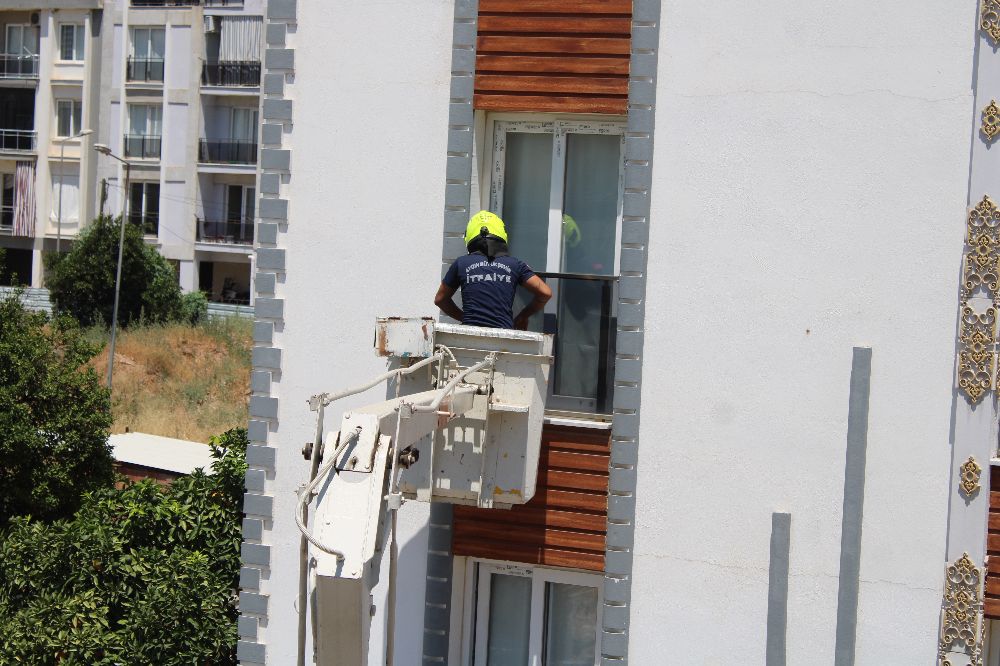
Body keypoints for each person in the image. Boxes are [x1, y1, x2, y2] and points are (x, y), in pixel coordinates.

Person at [434, 211, 551, 330]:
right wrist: (522, 317)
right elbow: (545, 293)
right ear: (502, 234)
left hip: (469, 335)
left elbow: (440, 299)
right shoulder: (515, 264)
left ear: (469, 236)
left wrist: (465, 318)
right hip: (504, 337)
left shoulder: (461, 263)